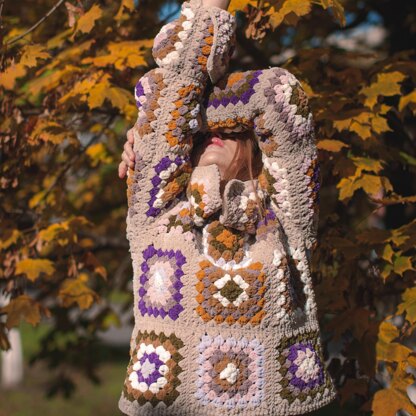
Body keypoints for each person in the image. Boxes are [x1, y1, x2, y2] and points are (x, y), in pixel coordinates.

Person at [117, 0, 338, 414]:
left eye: (232, 131)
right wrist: (158, 119)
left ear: (253, 143)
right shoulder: (157, 212)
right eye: (198, 137)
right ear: (183, 150)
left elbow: (278, 95)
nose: (213, 137)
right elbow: (167, 97)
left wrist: (182, 114)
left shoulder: (286, 216)